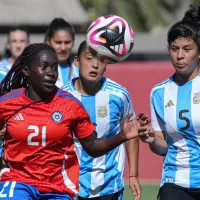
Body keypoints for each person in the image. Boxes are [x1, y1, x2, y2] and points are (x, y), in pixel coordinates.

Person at [0, 43, 148, 200]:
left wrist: (122, 136)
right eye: (44, 67)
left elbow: (92, 146)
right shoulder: (6, 103)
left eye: (54, 68)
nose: (51, 73)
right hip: (18, 181)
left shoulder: (70, 105)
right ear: (26, 71)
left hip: (57, 187)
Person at [61, 41, 141, 200]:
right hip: (71, 183)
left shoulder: (119, 95)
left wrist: (133, 175)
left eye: (101, 59)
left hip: (109, 185)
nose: (95, 65)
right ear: (77, 61)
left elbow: (131, 133)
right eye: (89, 58)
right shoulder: (62, 97)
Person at [138, 3, 200, 200]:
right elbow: (162, 145)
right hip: (176, 181)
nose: (180, 55)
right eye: (174, 49)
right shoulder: (159, 93)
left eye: (187, 49)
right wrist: (151, 139)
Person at [45, 18, 79, 87]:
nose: (63, 48)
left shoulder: (80, 69)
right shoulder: (40, 70)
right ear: (48, 41)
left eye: (67, 42)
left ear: (73, 42)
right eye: (58, 42)